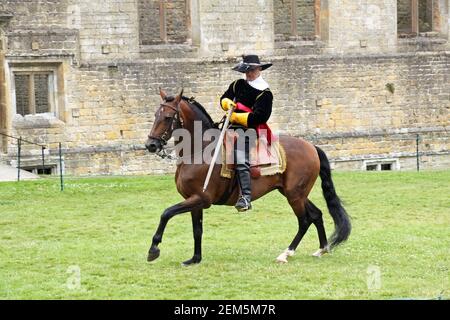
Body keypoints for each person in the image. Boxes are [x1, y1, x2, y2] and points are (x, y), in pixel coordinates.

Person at [220, 54, 274, 212]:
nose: (248, 74)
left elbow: (260, 117)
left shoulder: (265, 93)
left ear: (259, 70)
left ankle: (245, 197)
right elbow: (225, 97)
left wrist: (237, 116)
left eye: (251, 70)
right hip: (228, 126)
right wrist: (226, 103)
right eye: (247, 71)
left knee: (239, 156)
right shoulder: (238, 84)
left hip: (249, 130)